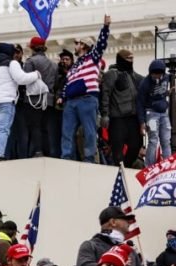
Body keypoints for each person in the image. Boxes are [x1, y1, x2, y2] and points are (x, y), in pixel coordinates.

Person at [59, 15, 111, 162]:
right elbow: (68, 82)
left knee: (89, 131)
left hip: (88, 99)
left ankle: (89, 158)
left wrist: (105, 27)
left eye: (77, 43)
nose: (74, 46)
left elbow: (101, 44)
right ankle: (66, 157)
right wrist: (62, 96)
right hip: (71, 102)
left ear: (83, 45)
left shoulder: (93, 57)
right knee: (67, 132)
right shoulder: (74, 66)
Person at [0, 43, 40, 162]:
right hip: (5, 100)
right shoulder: (11, 63)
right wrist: (36, 74)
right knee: (4, 129)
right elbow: (21, 79)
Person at [76, 206, 145, 266]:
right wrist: (115, 263)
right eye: (125, 219)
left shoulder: (131, 252)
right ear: (113, 222)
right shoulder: (90, 245)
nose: (129, 223)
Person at [100, 49, 143, 167]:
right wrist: (105, 114)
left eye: (132, 59)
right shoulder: (112, 74)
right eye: (128, 59)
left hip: (133, 118)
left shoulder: (136, 77)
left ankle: (125, 167)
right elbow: (105, 94)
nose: (131, 61)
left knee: (136, 145)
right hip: (117, 118)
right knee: (117, 149)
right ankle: (120, 169)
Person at [22, 37, 57, 158]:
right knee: (45, 127)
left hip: (34, 101)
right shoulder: (53, 64)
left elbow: (25, 80)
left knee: (35, 126)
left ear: (32, 47)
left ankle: (38, 151)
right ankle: (47, 152)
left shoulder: (30, 62)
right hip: (49, 100)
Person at [137, 60, 171, 167]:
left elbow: (160, 93)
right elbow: (140, 103)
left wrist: (167, 93)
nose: (157, 76)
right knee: (153, 140)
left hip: (163, 113)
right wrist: (142, 122)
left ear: (162, 73)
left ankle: (167, 164)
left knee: (166, 140)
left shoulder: (166, 77)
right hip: (151, 114)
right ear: (150, 73)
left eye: (159, 74)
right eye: (154, 74)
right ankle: (149, 166)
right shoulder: (145, 84)